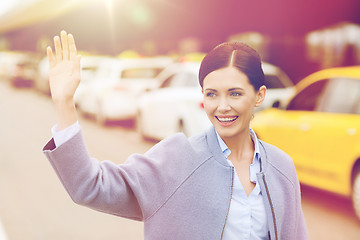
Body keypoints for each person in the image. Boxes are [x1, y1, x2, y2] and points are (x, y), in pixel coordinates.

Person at [43, 30, 308, 240]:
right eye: (211, 94)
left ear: (259, 95)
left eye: (235, 93)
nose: (222, 106)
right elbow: (89, 186)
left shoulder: (281, 166)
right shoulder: (177, 157)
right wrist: (65, 103)